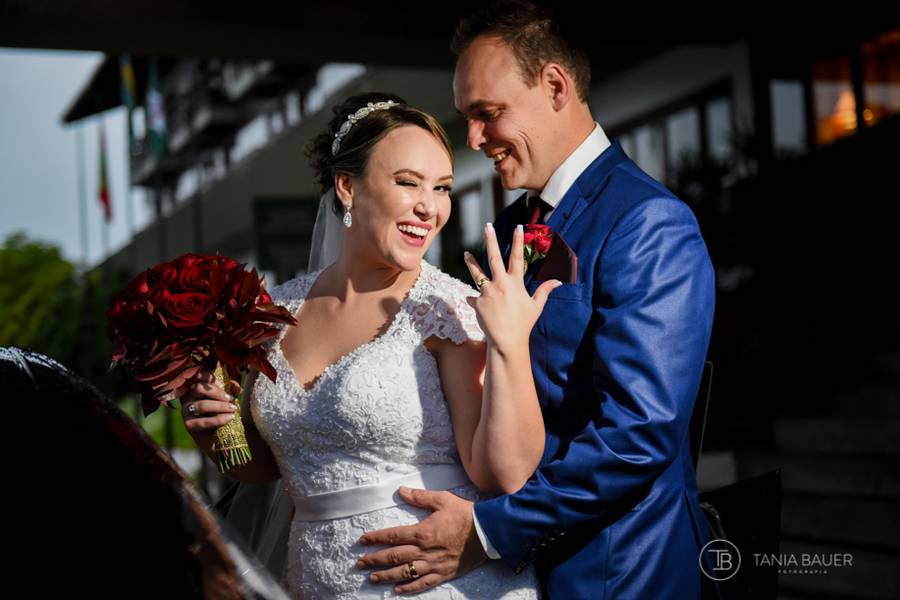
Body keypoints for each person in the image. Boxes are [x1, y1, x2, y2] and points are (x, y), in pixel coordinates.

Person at [357, 2, 718, 598]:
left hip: (615, 570)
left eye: (488, 113)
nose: (474, 139)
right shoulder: (509, 227)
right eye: (468, 118)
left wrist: (488, 531)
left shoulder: (649, 222)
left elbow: (639, 434)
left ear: (554, 86)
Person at [181, 92, 557, 598]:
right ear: (348, 187)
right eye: (408, 182)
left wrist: (510, 344)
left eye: (442, 188)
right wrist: (216, 433)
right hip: (316, 581)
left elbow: (505, 475)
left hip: (439, 585)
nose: (429, 207)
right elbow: (270, 466)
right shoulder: (273, 313)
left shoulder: (447, 308)